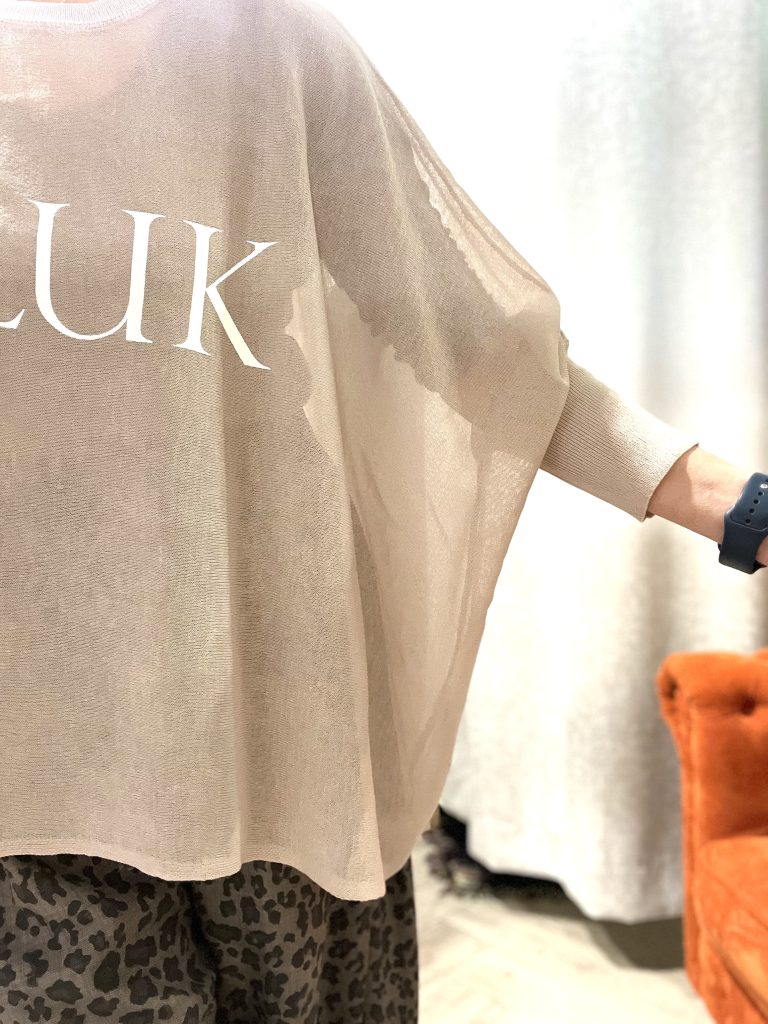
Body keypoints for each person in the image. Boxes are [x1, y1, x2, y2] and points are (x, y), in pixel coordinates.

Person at [0, 0, 761, 1021]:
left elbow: (482, 349)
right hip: (30, 713)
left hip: (267, 669)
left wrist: (743, 509)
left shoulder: (273, 53)